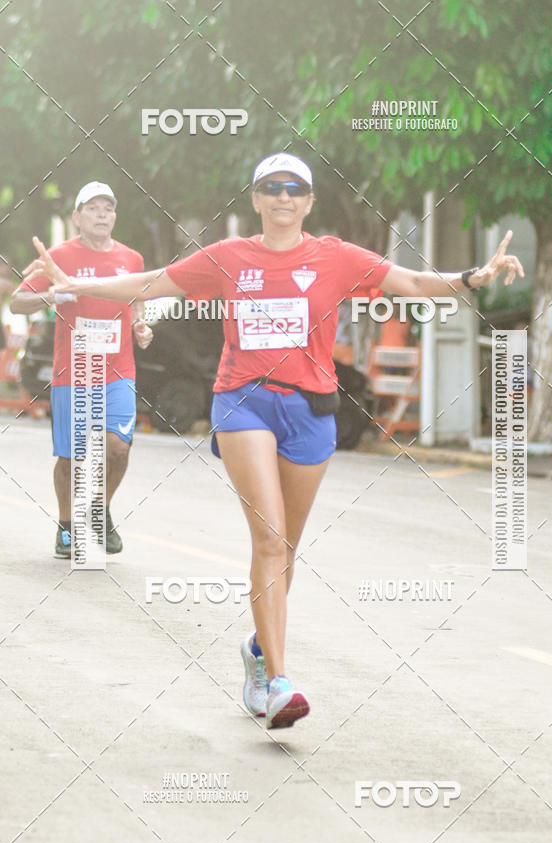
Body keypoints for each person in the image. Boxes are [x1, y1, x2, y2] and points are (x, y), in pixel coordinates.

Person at [24, 153, 524, 728]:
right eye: (272, 187)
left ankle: (258, 651)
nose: (284, 196)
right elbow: (151, 281)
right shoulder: (230, 256)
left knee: (286, 548)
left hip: (311, 409)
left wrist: (472, 278)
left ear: (309, 201)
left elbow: (410, 282)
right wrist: (75, 283)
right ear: (257, 199)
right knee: (268, 540)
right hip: (243, 401)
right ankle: (280, 683)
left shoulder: (335, 255)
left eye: (294, 188)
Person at [11, 181, 153, 558]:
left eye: (108, 208)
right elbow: (17, 302)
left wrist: (141, 323)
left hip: (118, 371)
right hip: (73, 373)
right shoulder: (58, 257)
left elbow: (138, 298)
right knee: (72, 456)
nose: (102, 215)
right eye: (93, 208)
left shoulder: (131, 259)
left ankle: (99, 510)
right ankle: (66, 526)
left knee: (118, 448)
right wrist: (51, 294)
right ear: (77, 217)